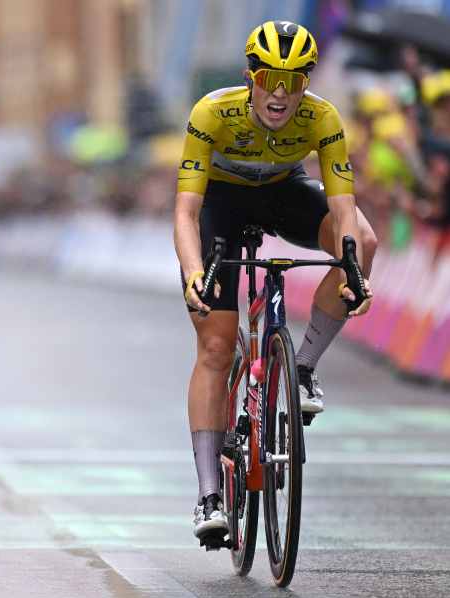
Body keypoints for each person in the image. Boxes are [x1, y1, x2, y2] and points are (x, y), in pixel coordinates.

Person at [173, 21, 377, 539]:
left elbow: (343, 204)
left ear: (307, 82)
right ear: (251, 78)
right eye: (270, 77)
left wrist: (351, 264)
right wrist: (195, 271)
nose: (281, 93)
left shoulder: (322, 117)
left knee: (366, 242)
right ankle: (208, 497)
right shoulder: (212, 113)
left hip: (285, 191)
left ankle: (302, 367)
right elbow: (185, 209)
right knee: (216, 347)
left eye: (295, 80)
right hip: (220, 202)